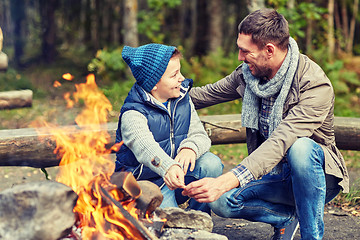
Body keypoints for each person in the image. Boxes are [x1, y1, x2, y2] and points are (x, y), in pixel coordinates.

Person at [182, 8, 349, 240]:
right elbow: (204, 95)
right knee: (219, 201)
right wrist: (162, 90)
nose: (239, 57)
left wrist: (226, 180)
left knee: (301, 147)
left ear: (269, 50)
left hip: (316, 178)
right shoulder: (248, 74)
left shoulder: (314, 84)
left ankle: (311, 236)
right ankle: (285, 219)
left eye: (245, 51)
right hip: (273, 174)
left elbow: (282, 140)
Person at [114, 43, 223, 214]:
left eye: (179, 71)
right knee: (170, 221)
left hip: (177, 176)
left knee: (211, 164)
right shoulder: (133, 113)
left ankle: (200, 217)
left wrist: (190, 148)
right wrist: (167, 166)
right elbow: (145, 147)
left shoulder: (181, 100)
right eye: (174, 75)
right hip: (146, 184)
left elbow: (200, 135)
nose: (181, 78)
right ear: (153, 84)